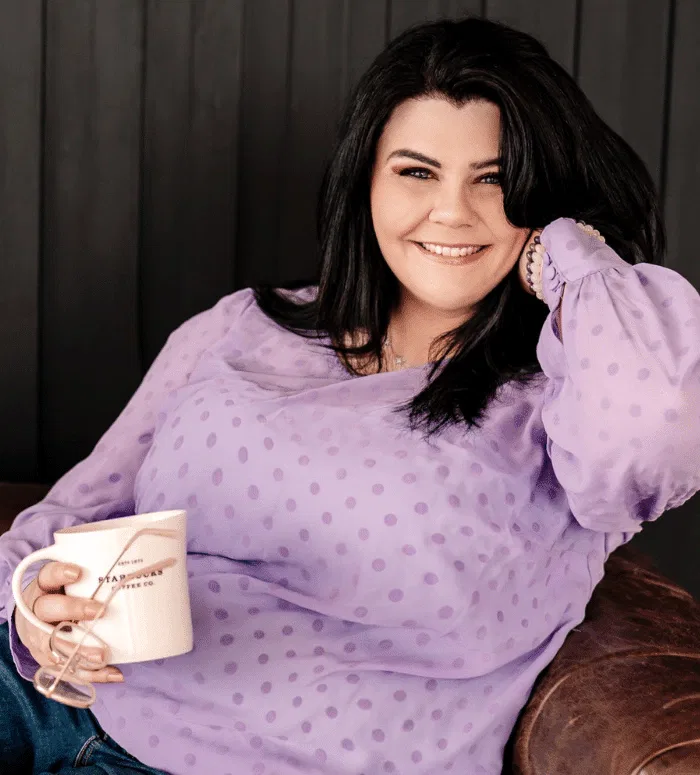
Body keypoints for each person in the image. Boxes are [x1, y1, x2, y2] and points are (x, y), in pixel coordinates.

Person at [1, 14, 699, 775]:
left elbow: (661, 426)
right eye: (417, 172)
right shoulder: (243, 325)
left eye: (495, 179)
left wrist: (569, 254)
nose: (453, 212)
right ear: (365, 181)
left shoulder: (571, 407)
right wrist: (34, 605)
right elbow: (73, 514)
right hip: (55, 699)